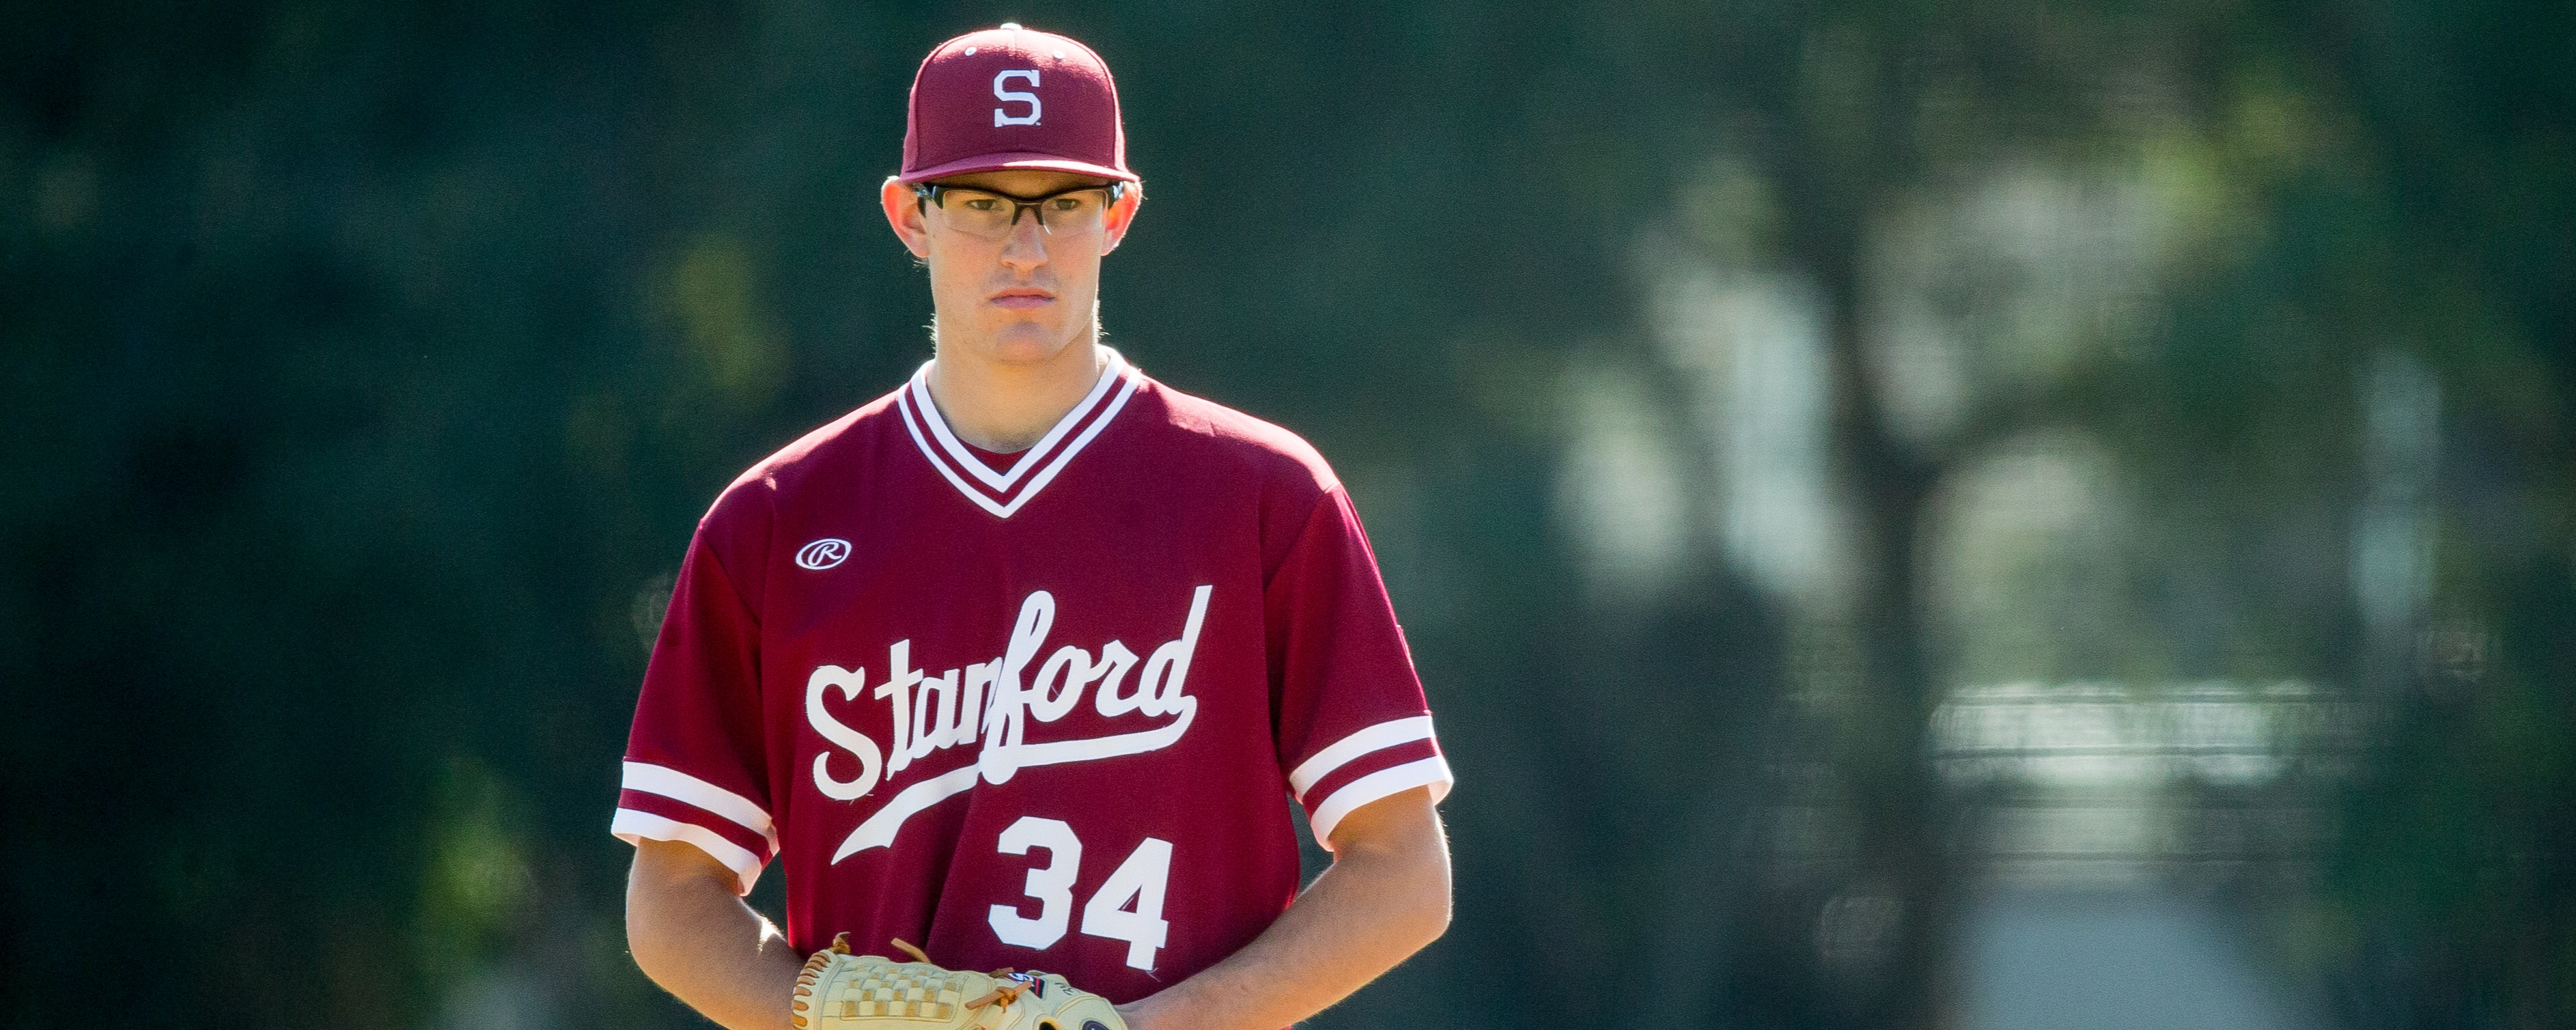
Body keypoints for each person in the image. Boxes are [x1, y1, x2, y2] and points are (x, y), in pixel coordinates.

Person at [612, 23, 1454, 1030]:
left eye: (1062, 203)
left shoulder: (1266, 499)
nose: (1025, 246)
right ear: (908, 216)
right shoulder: (777, 524)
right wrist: (817, 1017)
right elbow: (671, 898)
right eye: (980, 203)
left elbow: (1405, 872)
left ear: (1119, 213)